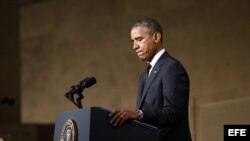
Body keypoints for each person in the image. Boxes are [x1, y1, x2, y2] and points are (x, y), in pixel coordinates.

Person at [109, 18, 192, 141]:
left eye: (139, 39)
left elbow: (173, 113)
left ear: (156, 37)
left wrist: (139, 114)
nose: (134, 46)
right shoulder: (143, 76)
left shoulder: (171, 67)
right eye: (132, 41)